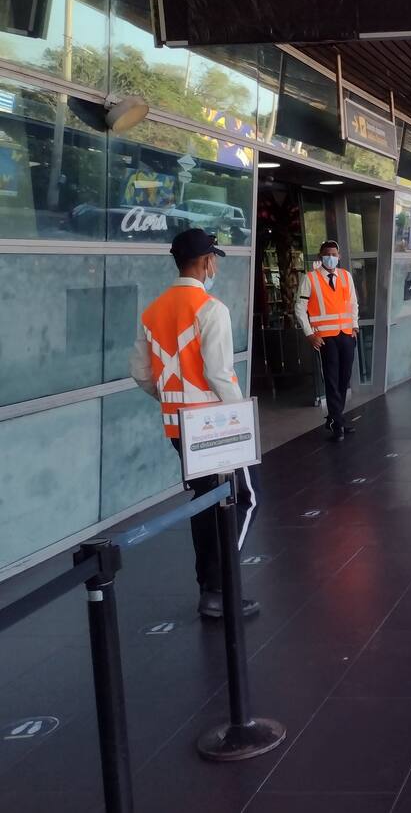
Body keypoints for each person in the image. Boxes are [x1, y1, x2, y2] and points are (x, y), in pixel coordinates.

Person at [130, 229, 260, 619]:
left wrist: (171, 399)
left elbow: (141, 374)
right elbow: (219, 374)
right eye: (213, 259)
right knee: (244, 499)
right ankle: (221, 585)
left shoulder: (152, 312)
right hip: (216, 427)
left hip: (178, 428)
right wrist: (241, 421)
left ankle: (210, 589)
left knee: (205, 501)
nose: (214, 265)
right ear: (205, 262)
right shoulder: (211, 309)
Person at [295, 240, 360, 441]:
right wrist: (309, 334)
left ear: (339, 256)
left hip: (346, 334)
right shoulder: (310, 278)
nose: (330, 257)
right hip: (325, 338)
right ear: (320, 256)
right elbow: (299, 308)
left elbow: (353, 303)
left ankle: (335, 418)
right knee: (331, 380)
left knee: (344, 379)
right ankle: (337, 423)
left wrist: (355, 326)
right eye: (327, 254)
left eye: (334, 254)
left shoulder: (346, 276)